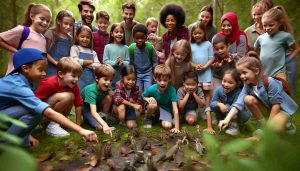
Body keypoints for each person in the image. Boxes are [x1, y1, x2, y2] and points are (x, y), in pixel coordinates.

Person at [0, 48, 97, 146]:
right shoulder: (18, 86)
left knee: (34, 110)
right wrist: (80, 130)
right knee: (35, 111)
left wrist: (27, 135)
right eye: (40, 70)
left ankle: (21, 139)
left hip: (5, 114)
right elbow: (45, 111)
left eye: (44, 70)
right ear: (25, 68)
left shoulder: (28, 83)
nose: (44, 74)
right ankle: (4, 145)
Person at [219, 51, 297, 136]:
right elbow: (238, 103)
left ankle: (288, 124)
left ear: (256, 71)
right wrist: (227, 119)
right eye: (240, 74)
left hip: (282, 110)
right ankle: (262, 125)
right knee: (247, 99)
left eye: (244, 73)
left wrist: (269, 127)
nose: (241, 76)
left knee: (274, 130)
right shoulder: (248, 85)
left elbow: (276, 105)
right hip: (268, 108)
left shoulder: (270, 82)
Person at [35, 57, 83, 137]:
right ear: (61, 74)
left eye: (78, 76)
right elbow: (35, 101)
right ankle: (52, 125)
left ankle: (61, 122)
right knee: (67, 96)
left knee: (71, 95)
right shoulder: (49, 83)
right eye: (73, 76)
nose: (77, 79)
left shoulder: (73, 86)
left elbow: (78, 105)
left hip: (54, 113)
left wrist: (78, 126)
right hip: (43, 113)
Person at [0, 3, 51, 75]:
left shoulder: (44, 39)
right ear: (32, 16)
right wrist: (17, 52)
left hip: (32, 82)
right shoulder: (23, 30)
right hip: (17, 78)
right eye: (42, 19)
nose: (45, 23)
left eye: (48, 21)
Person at [255, 6, 299, 81]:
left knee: (279, 90)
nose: (267, 28)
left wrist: (288, 59)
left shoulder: (285, 36)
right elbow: (256, 51)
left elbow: (296, 49)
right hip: (265, 72)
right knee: (266, 91)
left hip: (279, 72)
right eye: (265, 25)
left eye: (271, 25)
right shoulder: (260, 38)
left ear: (280, 23)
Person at [211, 69, 251, 136]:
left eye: (230, 82)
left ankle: (234, 127)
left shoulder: (239, 92)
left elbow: (235, 107)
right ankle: (219, 118)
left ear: (238, 84)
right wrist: (219, 104)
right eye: (224, 81)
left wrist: (225, 107)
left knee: (227, 106)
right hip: (227, 111)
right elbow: (212, 103)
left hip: (241, 114)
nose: (226, 84)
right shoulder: (219, 89)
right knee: (215, 105)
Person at [142, 64, 180, 133]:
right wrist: (148, 99)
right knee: (152, 104)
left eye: (165, 80)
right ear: (155, 79)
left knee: (167, 126)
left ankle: (157, 119)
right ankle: (148, 118)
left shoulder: (172, 90)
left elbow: (175, 109)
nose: (162, 83)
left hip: (165, 110)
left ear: (169, 79)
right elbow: (143, 96)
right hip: (155, 107)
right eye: (159, 80)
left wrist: (177, 128)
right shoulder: (152, 88)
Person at [190, 22, 214, 127]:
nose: (197, 35)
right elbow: (189, 60)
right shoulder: (191, 45)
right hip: (195, 74)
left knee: (206, 93)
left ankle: (206, 111)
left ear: (204, 33)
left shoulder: (208, 44)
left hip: (206, 73)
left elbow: (211, 58)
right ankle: (198, 111)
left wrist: (205, 66)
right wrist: (195, 66)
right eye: (195, 33)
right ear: (192, 34)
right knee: (197, 93)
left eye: (200, 33)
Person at [81, 64, 114, 136]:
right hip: (86, 108)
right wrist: (104, 125)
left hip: (96, 105)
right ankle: (90, 120)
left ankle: (103, 118)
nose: (108, 82)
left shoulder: (106, 88)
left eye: (110, 80)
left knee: (109, 97)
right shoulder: (91, 91)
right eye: (105, 79)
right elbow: (93, 111)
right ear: (97, 78)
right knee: (100, 127)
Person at [45, 10, 75, 76]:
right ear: (58, 21)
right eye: (65, 23)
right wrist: (55, 63)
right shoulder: (51, 33)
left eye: (71, 25)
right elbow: (45, 53)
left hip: (63, 69)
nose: (68, 27)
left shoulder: (70, 39)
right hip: (50, 67)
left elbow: (70, 55)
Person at [70, 26, 100, 90]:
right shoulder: (75, 48)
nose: (85, 39)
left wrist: (83, 64)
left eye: (88, 37)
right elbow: (74, 61)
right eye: (82, 36)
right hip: (78, 78)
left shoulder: (92, 52)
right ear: (77, 37)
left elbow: (98, 66)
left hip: (91, 79)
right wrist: (90, 62)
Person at [130, 24, 157, 93]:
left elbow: (155, 60)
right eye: (137, 38)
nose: (140, 40)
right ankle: (139, 103)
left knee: (148, 91)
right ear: (133, 38)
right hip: (137, 74)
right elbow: (131, 62)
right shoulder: (131, 48)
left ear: (146, 37)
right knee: (137, 91)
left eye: (142, 38)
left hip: (148, 72)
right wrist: (133, 74)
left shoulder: (150, 47)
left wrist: (154, 72)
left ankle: (147, 103)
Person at [103, 23, 130, 89]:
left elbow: (128, 62)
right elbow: (105, 61)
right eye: (116, 32)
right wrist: (115, 63)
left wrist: (122, 62)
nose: (119, 34)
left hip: (122, 77)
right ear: (112, 34)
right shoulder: (107, 47)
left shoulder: (126, 48)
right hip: (109, 77)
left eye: (121, 32)